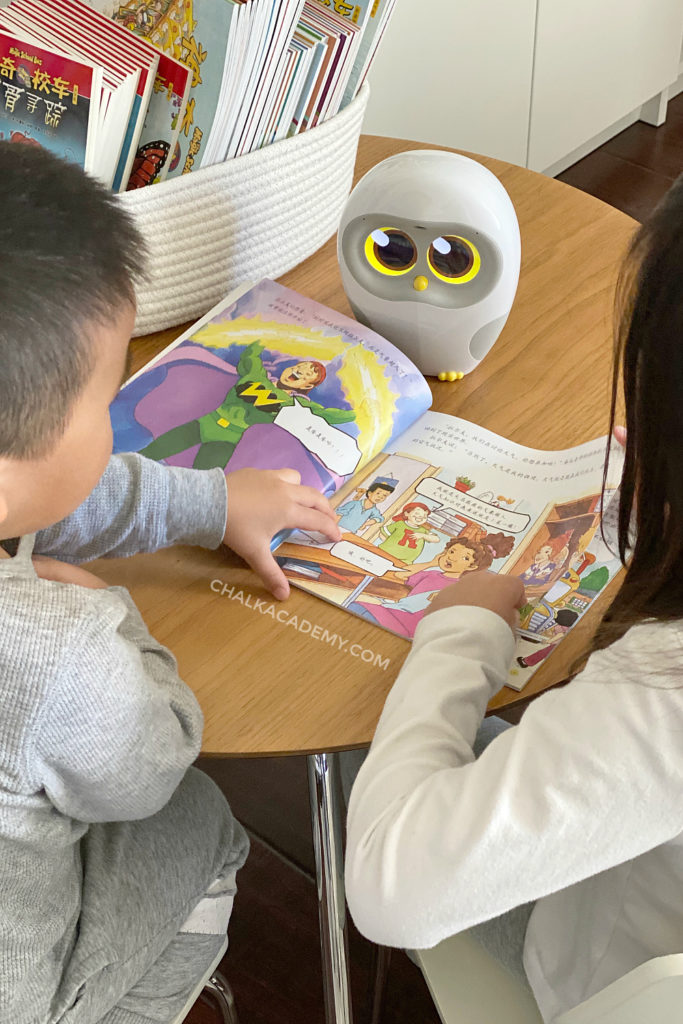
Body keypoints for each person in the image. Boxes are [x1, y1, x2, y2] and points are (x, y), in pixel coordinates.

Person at [0, 143, 341, 1024]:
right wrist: (105, 612)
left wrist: (212, 500)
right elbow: (154, 760)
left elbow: (57, 498)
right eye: (107, 392)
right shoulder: (57, 651)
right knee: (197, 817)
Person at [344, 174, 683, 1022]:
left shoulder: (659, 702)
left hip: (599, 983)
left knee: (358, 740)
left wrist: (459, 634)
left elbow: (390, 888)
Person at [139, 342, 355, 471]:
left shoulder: (293, 406)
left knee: (196, 487)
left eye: (307, 375)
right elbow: (250, 355)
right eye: (300, 367)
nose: (300, 371)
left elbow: (328, 415)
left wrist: (361, 409)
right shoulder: (256, 375)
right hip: (203, 424)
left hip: (226, 441)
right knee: (146, 455)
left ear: (307, 386)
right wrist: (268, 337)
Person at [376, 501, 441, 563]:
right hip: (385, 552)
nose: (420, 517)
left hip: (405, 561)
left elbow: (436, 539)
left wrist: (423, 535)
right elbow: (383, 533)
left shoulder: (423, 531)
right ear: (407, 513)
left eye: (424, 516)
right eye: (417, 513)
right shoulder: (400, 524)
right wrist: (390, 544)